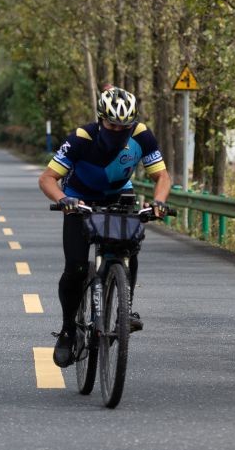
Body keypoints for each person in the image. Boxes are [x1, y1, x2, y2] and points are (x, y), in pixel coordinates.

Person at [38, 86, 172, 368]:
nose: (118, 130)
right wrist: (63, 200)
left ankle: (127, 308)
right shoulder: (81, 138)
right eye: (112, 125)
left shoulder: (141, 136)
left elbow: (162, 176)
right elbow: (48, 178)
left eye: (124, 126)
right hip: (79, 200)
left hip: (118, 196)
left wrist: (158, 202)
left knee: (128, 244)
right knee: (75, 267)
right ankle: (67, 330)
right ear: (101, 119)